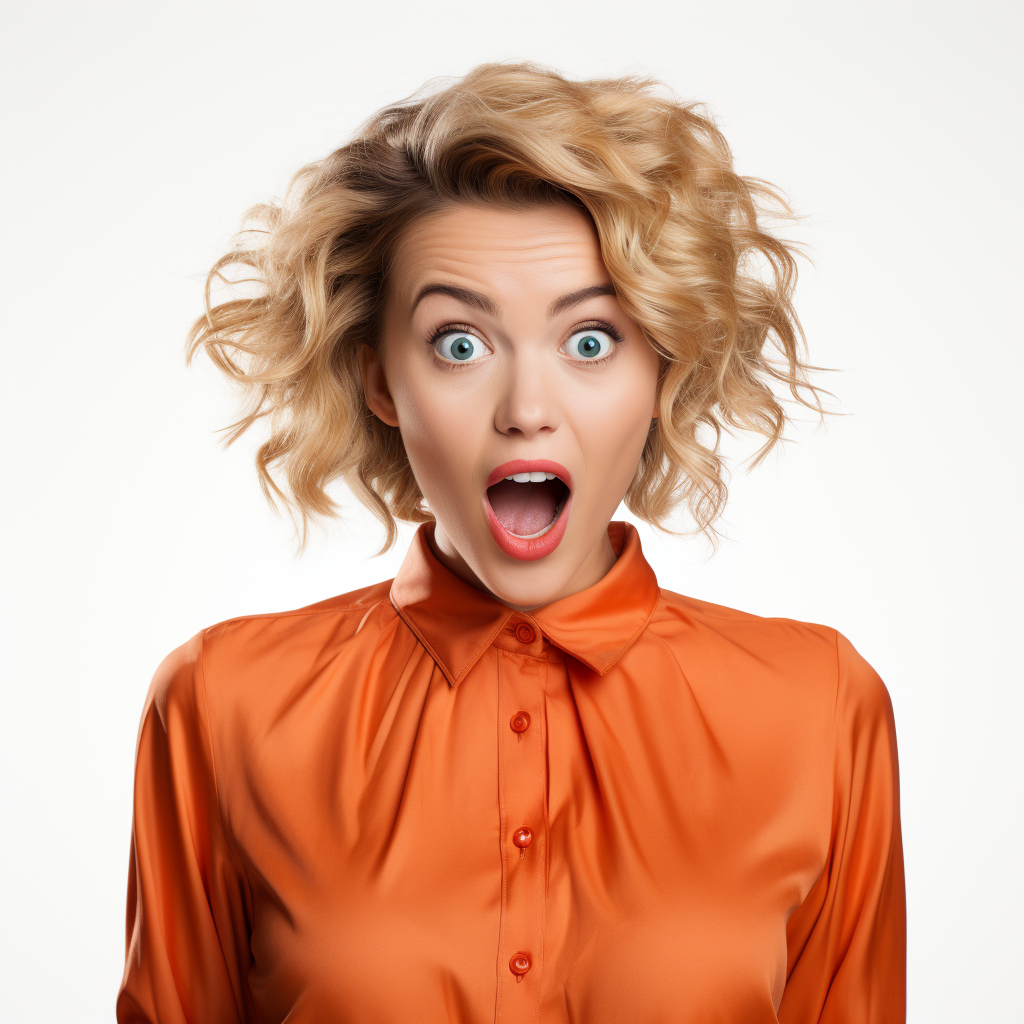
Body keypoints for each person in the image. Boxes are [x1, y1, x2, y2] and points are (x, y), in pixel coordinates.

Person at [116, 62, 906, 1023]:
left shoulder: (817, 709)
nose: (527, 411)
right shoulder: (223, 703)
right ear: (379, 382)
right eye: (459, 343)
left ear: (664, 367)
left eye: (590, 342)